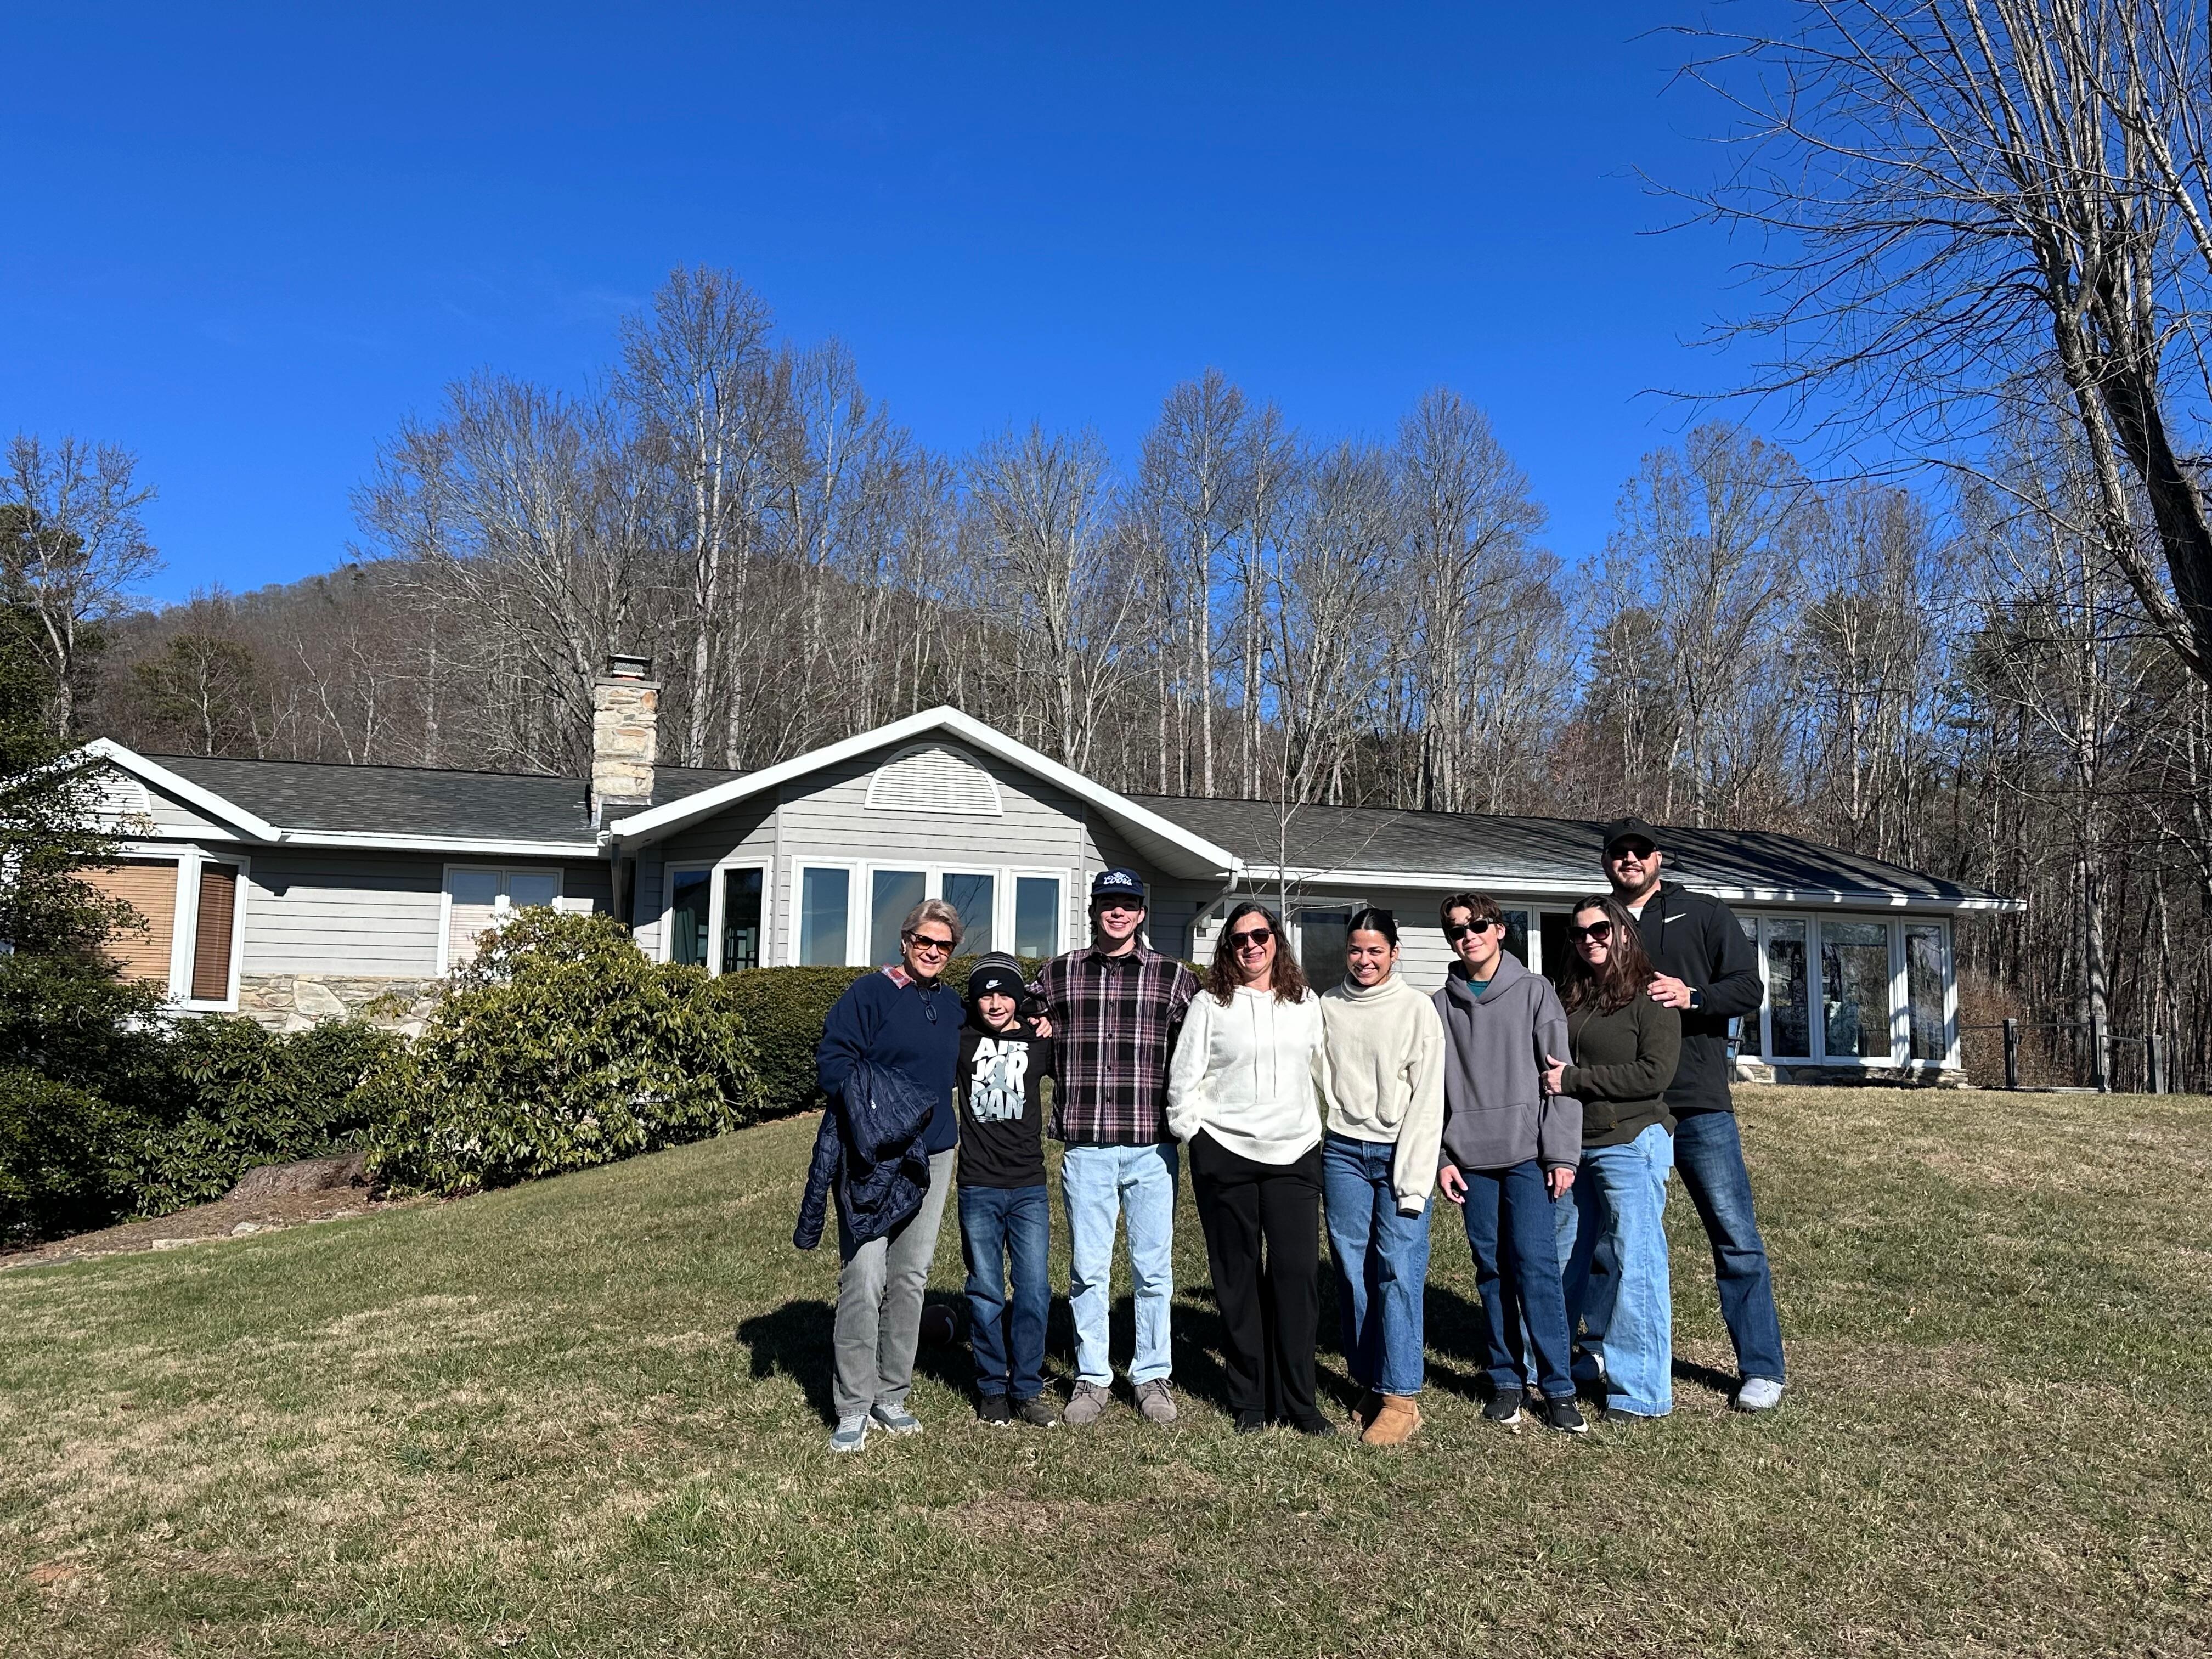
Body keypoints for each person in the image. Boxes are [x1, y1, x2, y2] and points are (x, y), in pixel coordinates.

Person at [1600, 816, 1786, 1412]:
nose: (1630, 860)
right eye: (1619, 853)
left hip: (1698, 1101)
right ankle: (1602, 1347)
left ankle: (1761, 1367)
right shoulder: (1597, 924)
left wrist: (1693, 996)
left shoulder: (1704, 913)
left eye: (1640, 851)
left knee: (1734, 1236)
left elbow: (1748, 990)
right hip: (1626, 1107)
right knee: (1612, 1237)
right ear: (1607, 861)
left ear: (1660, 858)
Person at [1029, 868, 1199, 1427]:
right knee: (1088, 1270)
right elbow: (1011, 1014)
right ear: (1094, 910)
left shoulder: (1174, 978)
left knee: (1153, 1271)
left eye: (1127, 904)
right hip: (1087, 1147)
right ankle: (1093, 1375)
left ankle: (1152, 1376)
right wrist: (1038, 1028)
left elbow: (1205, 1045)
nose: (1117, 913)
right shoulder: (1057, 975)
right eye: (1108, 904)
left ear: (1142, 912)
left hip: (1152, 1147)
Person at [803, 898, 966, 1453]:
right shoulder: (869, 994)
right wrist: (879, 1112)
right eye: (924, 940)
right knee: (865, 1274)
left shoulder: (952, 1007)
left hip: (936, 1152)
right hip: (873, 1154)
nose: (932, 952)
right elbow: (834, 1062)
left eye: (944, 945)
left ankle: (891, 1394)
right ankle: (852, 1405)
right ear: (905, 940)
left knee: (910, 1277)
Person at [1169, 900, 1331, 1435]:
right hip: (1226, 1155)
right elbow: (1183, 1077)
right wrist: (1196, 1134)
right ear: (1228, 949)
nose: (1251, 946)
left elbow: (1324, 1069)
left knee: (1296, 1277)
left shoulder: (1305, 1002)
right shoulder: (1211, 1004)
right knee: (1237, 1280)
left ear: (1276, 940)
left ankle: (1299, 1402)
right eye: (1239, 940)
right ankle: (1251, 1402)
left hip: (1295, 1155)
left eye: (1260, 935)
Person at [1432, 891, 1588, 1435]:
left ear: (1500, 930)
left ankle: (1560, 1388)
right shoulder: (1439, 1006)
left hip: (1527, 1157)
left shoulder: (1534, 991)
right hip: (1470, 1159)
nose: (1467, 935)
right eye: (1456, 930)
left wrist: (1562, 1153)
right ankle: (1505, 1382)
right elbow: (1429, 1094)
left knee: (1537, 1268)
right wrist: (1443, 1156)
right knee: (1492, 1272)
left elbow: (1559, 1077)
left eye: (1477, 925)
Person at [1541, 895, 1681, 1421]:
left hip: (1631, 1142)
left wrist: (1574, 1080)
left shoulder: (1652, 996)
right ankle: (1551, 1367)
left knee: (1634, 1262)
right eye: (1579, 934)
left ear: (1624, 932)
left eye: (1601, 929)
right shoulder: (1572, 995)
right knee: (1564, 1257)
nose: (1590, 940)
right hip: (1574, 1146)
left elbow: (1654, 1075)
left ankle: (1639, 1391)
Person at [1315, 906, 1444, 1446]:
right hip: (1343, 1150)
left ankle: (1402, 1398)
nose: (1364, 960)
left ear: (1395, 952)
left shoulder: (1416, 1010)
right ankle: (1369, 1378)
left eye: (1375, 950)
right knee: (1351, 1270)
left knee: (1397, 1269)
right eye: (1355, 950)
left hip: (1399, 1151)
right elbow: (1316, 1082)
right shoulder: (1327, 1006)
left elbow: (1428, 1101)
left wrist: (1414, 1182)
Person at [953, 953, 1058, 1428]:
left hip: (1029, 1186)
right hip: (978, 1185)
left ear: (1017, 998)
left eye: (1003, 994)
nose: (994, 1003)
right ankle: (993, 1385)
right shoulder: (960, 1040)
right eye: (985, 994)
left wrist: (1048, 1021)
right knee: (985, 1290)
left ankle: (1028, 1386)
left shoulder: (1039, 1044)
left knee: (1035, 1290)